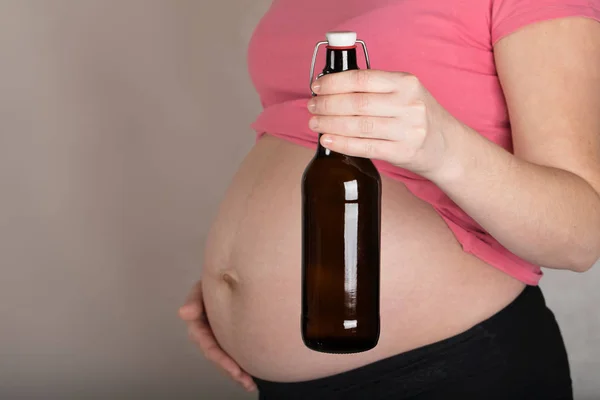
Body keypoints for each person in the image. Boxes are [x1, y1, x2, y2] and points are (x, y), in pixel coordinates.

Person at [179, 0, 600, 398]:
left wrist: (444, 147)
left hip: (443, 371)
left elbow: (581, 235)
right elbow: (302, 135)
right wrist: (238, 287)